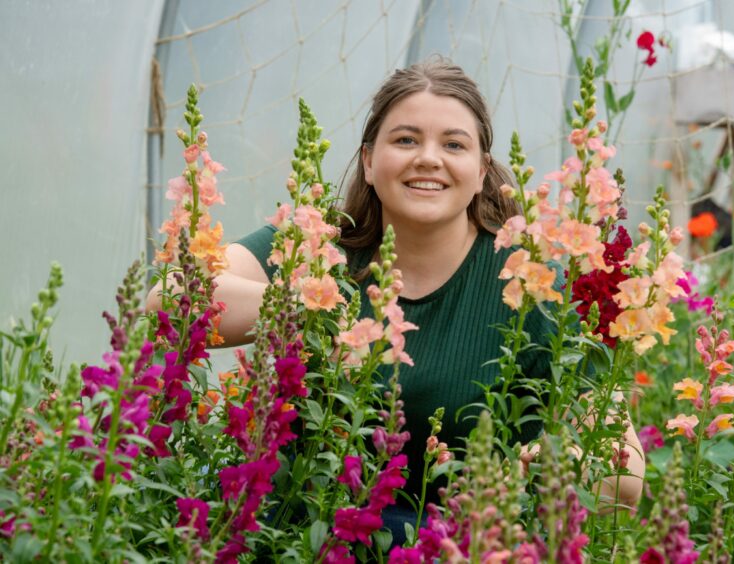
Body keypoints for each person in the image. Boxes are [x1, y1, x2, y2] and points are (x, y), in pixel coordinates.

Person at [148, 59, 644, 543]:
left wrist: (547, 467)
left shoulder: (531, 278)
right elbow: (167, 301)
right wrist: (303, 307)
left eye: (453, 144)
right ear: (368, 160)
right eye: (405, 139)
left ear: (480, 171)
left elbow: (624, 476)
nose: (428, 158)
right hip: (299, 541)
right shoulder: (317, 245)